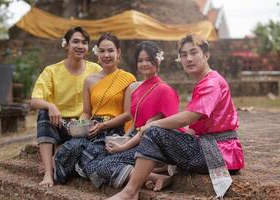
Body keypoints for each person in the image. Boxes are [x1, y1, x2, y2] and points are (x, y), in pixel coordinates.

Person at [107, 33, 245, 200]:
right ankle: (155, 179)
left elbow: (188, 118)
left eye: (194, 53)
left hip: (220, 152)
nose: (188, 59)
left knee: (154, 132)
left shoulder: (211, 83)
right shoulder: (205, 81)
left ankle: (130, 192)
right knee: (160, 134)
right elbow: (196, 126)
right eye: (184, 55)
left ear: (206, 55)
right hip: (211, 146)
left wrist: (152, 125)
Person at [87, 41, 186, 189]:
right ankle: (148, 176)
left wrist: (123, 147)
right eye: (140, 60)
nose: (144, 64)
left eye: (148, 60)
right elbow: (134, 123)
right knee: (95, 157)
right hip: (135, 140)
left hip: (152, 147)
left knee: (104, 166)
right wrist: (123, 139)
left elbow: (149, 129)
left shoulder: (164, 90)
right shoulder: (137, 89)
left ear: (158, 60)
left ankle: (156, 174)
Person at [53, 33, 136, 185]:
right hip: (91, 128)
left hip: (114, 130)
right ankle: (65, 171)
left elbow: (128, 114)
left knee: (91, 154)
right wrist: (79, 126)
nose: (106, 55)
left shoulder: (127, 78)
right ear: (97, 53)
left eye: (110, 50)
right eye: (102, 51)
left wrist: (104, 126)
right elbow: (86, 112)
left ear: (118, 52)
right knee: (70, 148)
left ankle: (85, 168)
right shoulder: (90, 80)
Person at [30, 27, 102, 187]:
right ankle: (48, 173)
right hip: (59, 124)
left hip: (83, 126)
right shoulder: (51, 71)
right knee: (43, 112)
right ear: (66, 45)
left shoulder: (95, 70)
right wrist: (50, 105)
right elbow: (34, 100)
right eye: (75, 41)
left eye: (84, 42)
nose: (80, 46)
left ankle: (58, 155)